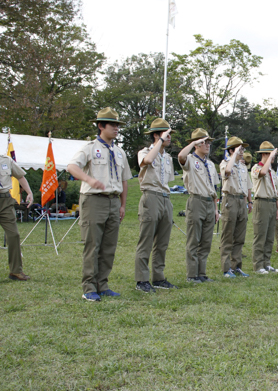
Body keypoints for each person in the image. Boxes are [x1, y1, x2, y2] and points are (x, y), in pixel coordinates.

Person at [68, 107, 132, 301]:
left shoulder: (119, 152)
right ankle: (89, 287)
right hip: (94, 200)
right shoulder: (90, 148)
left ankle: (102, 285)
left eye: (118, 125)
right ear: (100, 126)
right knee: (92, 245)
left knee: (108, 246)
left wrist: (122, 205)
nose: (116, 128)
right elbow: (72, 167)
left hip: (113, 201)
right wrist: (89, 179)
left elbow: (124, 180)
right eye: (112, 125)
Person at [134, 118, 177, 293]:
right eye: (166, 135)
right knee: (146, 240)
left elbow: (168, 181)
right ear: (156, 135)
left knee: (162, 242)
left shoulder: (167, 157)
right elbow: (146, 162)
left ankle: (158, 277)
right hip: (150, 196)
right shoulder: (144, 152)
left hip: (165, 197)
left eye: (169, 135)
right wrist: (158, 143)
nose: (169, 138)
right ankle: (142, 280)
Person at [177, 128, 220, 283]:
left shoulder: (210, 164)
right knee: (193, 240)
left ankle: (202, 273)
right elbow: (180, 156)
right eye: (204, 142)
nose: (207, 145)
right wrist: (194, 143)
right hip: (196, 201)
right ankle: (192, 275)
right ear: (196, 144)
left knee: (206, 241)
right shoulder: (190, 160)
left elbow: (214, 188)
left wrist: (215, 209)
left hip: (209, 202)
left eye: (209, 142)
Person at [219, 137, 251, 278]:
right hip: (230, 199)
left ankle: (236, 266)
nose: (242, 152)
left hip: (240, 200)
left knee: (239, 236)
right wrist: (233, 156)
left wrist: (248, 202)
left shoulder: (243, 167)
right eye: (239, 149)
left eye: (242, 149)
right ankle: (226, 268)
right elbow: (227, 172)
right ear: (231, 150)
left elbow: (246, 186)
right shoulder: (225, 163)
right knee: (228, 235)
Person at [0, 154, 33, 281]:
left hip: (5, 201)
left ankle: (16, 271)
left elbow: (20, 176)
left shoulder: (6, 160)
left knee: (14, 235)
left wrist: (29, 192)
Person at [251, 142, 278, 274]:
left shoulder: (272, 171)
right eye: (270, 154)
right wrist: (270, 158)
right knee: (260, 236)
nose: (273, 157)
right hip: (261, 203)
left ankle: (266, 263)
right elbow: (262, 173)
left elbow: (275, 192)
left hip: (271, 203)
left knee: (269, 237)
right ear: (264, 154)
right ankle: (258, 265)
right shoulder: (256, 168)